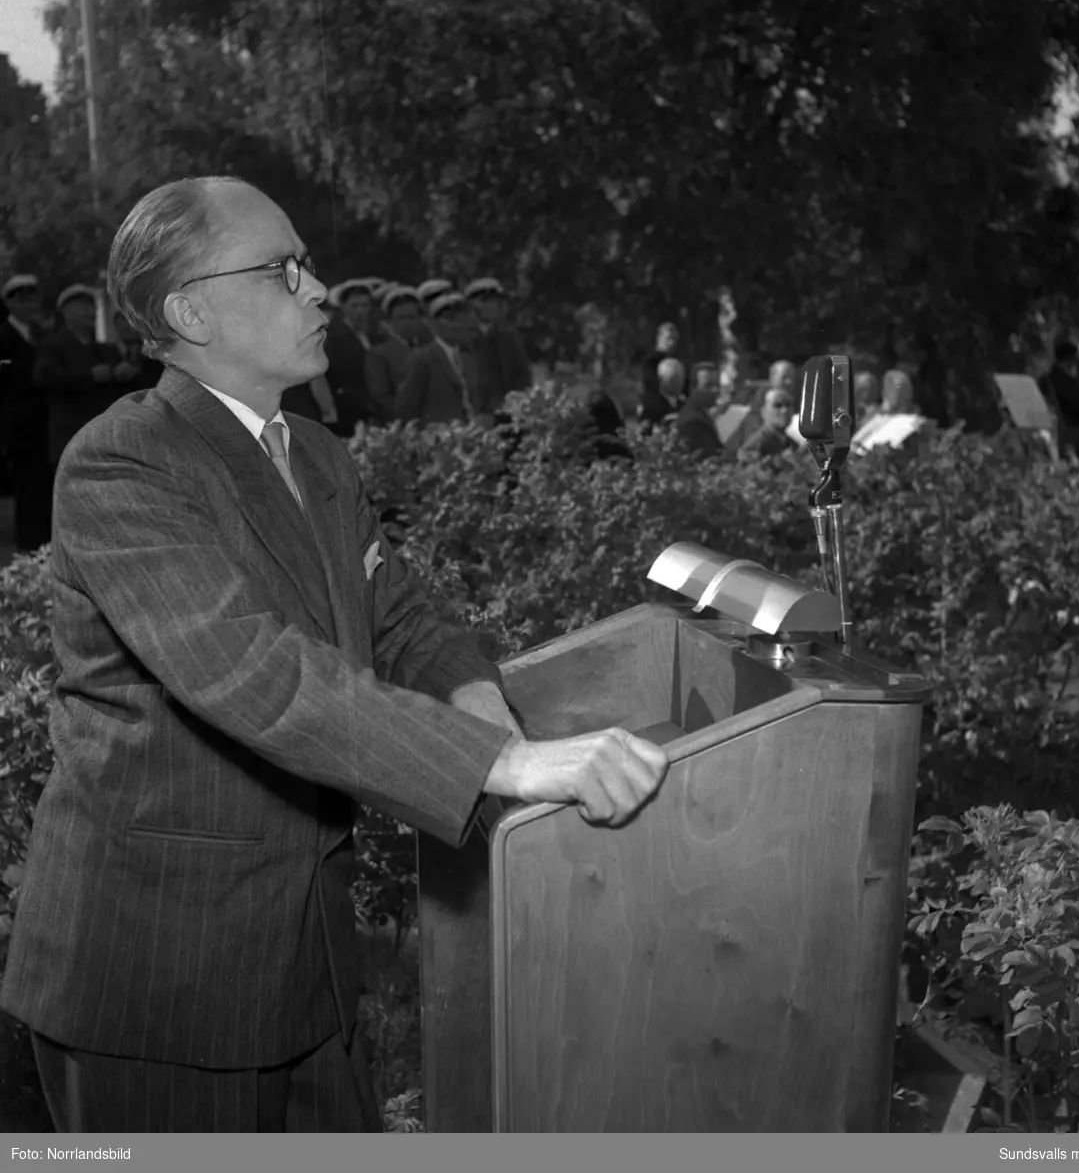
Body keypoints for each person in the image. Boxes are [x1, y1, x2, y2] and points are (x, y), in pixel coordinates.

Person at [0, 175, 669, 1134]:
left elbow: (403, 621)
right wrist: (505, 766)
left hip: (303, 965)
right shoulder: (124, 462)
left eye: (307, 267)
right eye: (283, 270)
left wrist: (497, 739)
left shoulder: (315, 453)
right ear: (191, 310)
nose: (318, 290)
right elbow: (250, 671)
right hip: (159, 980)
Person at [33, 285, 129, 471]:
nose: (91, 312)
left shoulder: (103, 350)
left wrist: (123, 373)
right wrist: (89, 377)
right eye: (83, 307)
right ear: (66, 313)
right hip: (70, 439)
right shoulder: (53, 346)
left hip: (103, 441)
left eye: (92, 306)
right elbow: (45, 378)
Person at [0, 274, 53, 549]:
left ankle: (42, 543)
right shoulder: (4, 337)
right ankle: (28, 545)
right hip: (20, 425)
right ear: (9, 303)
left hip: (45, 424)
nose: (31, 303)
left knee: (43, 487)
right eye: (23, 298)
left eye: (33, 297)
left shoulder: (41, 334)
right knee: (26, 488)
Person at [395, 291, 488, 427]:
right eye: (451, 319)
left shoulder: (469, 359)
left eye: (463, 319)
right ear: (435, 324)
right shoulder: (421, 359)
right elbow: (406, 409)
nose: (459, 325)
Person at [317, 280, 376, 437]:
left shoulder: (375, 334)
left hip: (373, 409)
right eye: (354, 306)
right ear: (343, 308)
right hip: (348, 410)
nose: (360, 311)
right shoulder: (334, 337)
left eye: (365, 305)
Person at [465, 277, 531, 410]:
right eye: (486, 301)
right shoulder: (462, 336)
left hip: (504, 413)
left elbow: (522, 377)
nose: (493, 306)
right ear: (474, 304)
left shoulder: (510, 337)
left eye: (496, 302)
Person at [364, 284, 422, 420]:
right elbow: (382, 398)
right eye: (402, 318)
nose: (408, 323)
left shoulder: (427, 348)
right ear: (390, 321)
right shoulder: (379, 354)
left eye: (412, 317)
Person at [1038, 340, 1079, 459]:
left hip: (1051, 428)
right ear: (1069, 359)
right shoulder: (1067, 382)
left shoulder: (1045, 380)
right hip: (1070, 429)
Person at [674, 362, 723, 459]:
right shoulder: (693, 421)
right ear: (693, 389)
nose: (715, 390)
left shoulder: (700, 413)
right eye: (708, 385)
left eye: (717, 385)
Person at [736, 385, 796, 462]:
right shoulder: (757, 443)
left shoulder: (792, 443)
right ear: (763, 411)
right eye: (777, 405)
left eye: (788, 405)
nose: (784, 410)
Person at [638, 356, 685, 425]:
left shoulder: (685, 402)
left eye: (680, 378)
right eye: (674, 378)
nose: (678, 383)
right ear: (661, 379)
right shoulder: (651, 404)